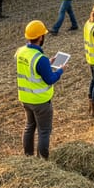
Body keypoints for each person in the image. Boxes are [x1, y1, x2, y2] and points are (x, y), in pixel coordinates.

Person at [17, 20, 64, 159]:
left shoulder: (20, 51)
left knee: (29, 127)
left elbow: (30, 67)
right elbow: (50, 79)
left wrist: (47, 63)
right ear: (41, 37)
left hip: (25, 98)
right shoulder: (40, 58)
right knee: (44, 131)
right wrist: (60, 71)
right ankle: (42, 160)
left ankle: (28, 156)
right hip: (41, 101)